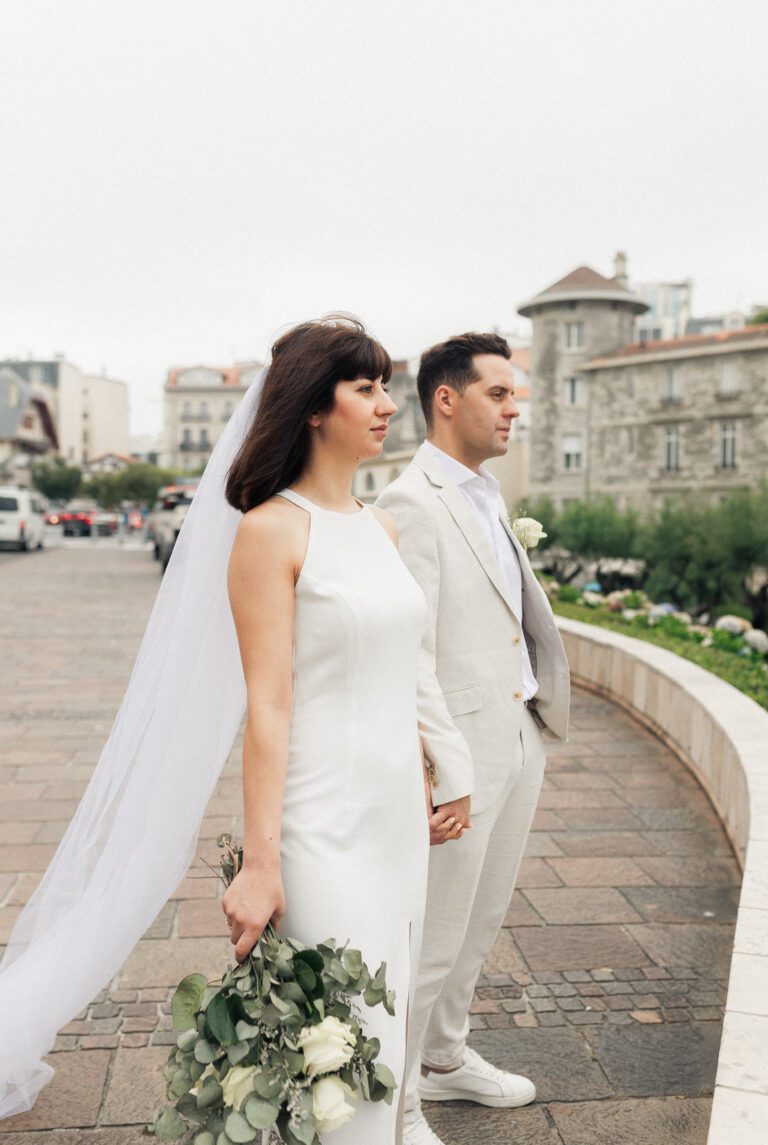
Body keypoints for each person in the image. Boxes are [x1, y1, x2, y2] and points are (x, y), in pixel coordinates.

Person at [0, 317, 462, 1145]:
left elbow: (408, 667)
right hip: (322, 822)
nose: (389, 404)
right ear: (315, 409)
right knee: (340, 1048)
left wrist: (439, 767)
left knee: (383, 1030)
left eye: (386, 385)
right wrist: (260, 862)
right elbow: (269, 706)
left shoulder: (382, 526)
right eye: (366, 387)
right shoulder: (269, 531)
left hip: (397, 817)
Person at [377, 332, 570, 1145]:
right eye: (499, 393)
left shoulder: (486, 493)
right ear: (446, 399)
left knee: (484, 921)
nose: (514, 408)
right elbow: (410, 653)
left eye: (515, 394)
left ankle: (448, 1058)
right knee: (437, 934)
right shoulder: (411, 502)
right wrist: (439, 765)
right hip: (459, 755)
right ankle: (398, 1107)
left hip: (519, 732)